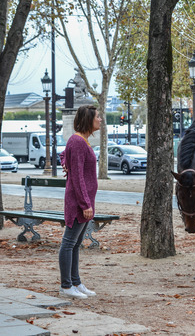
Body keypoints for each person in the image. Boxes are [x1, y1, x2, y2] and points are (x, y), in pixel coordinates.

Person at [58, 105, 101, 299]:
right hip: (78, 202)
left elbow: (65, 157)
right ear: (88, 120)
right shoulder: (77, 141)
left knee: (75, 244)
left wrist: (64, 163)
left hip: (85, 200)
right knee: (68, 243)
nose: (100, 120)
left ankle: (75, 282)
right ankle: (66, 286)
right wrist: (85, 204)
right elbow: (77, 177)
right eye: (97, 117)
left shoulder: (81, 141)